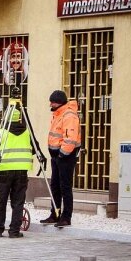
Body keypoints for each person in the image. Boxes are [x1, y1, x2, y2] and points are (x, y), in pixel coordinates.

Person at [0, 107, 33, 238]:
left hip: (3, 171)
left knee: (1, 200)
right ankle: (14, 231)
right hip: (21, 171)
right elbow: (33, 150)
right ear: (18, 118)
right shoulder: (27, 133)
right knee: (18, 202)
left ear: (5, 118)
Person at [41, 90, 81, 228]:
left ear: (60, 102)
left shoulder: (69, 115)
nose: (51, 104)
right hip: (57, 156)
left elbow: (70, 138)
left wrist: (62, 154)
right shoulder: (57, 113)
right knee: (55, 186)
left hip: (65, 156)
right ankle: (55, 214)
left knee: (65, 187)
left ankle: (66, 217)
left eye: (53, 102)